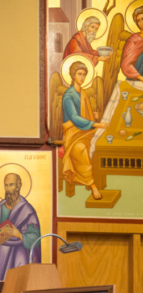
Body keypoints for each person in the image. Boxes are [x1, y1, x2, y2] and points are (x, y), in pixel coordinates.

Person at [0, 173, 41, 289]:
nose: (8, 189)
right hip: (0, 259)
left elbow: (35, 238)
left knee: (17, 288)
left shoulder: (27, 210)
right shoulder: (0, 209)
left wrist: (19, 235)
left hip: (19, 257)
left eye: (11, 185)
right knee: (1, 290)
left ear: (18, 186)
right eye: (6, 185)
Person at [61, 60, 106, 202]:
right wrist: (95, 124)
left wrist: (94, 115)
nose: (82, 77)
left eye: (84, 74)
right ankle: (92, 184)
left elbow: (85, 113)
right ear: (73, 75)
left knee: (102, 142)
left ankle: (101, 178)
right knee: (80, 149)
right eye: (79, 74)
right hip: (73, 133)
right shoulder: (68, 96)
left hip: (86, 129)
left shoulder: (83, 92)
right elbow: (74, 118)